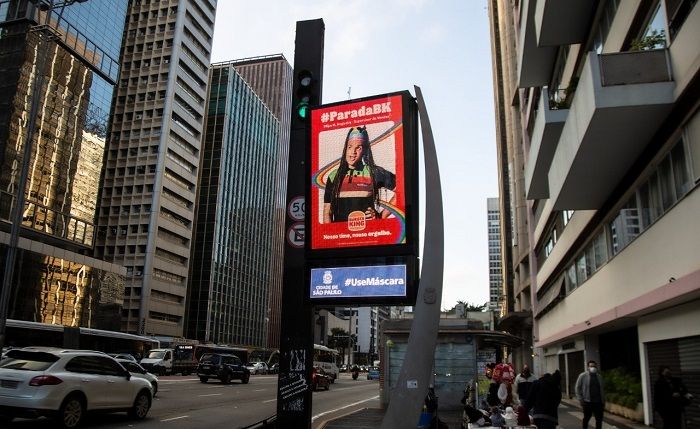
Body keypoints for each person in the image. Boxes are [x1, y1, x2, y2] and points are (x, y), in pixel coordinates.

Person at [323, 126, 396, 223]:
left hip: (368, 235)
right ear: (345, 149)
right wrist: (329, 236)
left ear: (364, 151)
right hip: (341, 236)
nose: (353, 152)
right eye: (350, 147)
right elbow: (327, 212)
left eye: (358, 148)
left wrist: (381, 216)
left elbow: (403, 189)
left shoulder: (374, 172)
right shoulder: (334, 175)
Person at [575, 360, 605, 429]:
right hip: (588, 402)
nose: (593, 367)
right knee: (586, 418)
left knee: (599, 419)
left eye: (594, 366)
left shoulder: (599, 377)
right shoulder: (583, 376)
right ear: (588, 367)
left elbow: (602, 389)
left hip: (598, 402)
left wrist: (603, 401)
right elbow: (577, 387)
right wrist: (580, 399)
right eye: (591, 366)